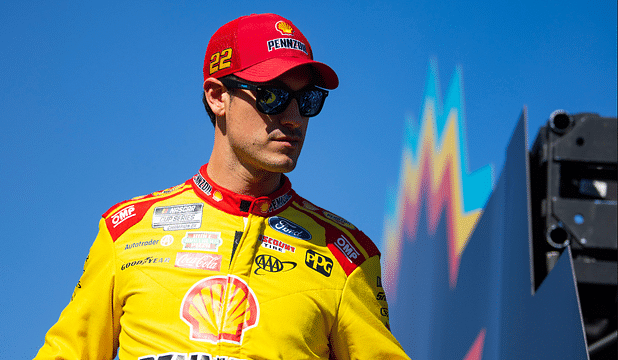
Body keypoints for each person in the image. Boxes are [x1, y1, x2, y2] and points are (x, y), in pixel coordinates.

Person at [35, 13, 410, 360]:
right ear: (217, 97)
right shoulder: (126, 230)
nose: (294, 117)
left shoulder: (348, 256)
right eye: (272, 95)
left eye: (308, 100)